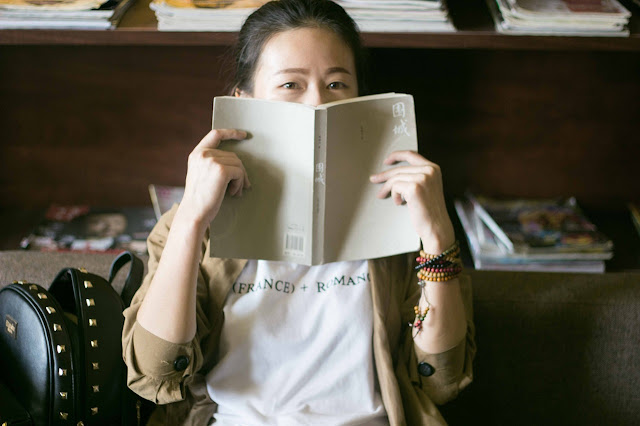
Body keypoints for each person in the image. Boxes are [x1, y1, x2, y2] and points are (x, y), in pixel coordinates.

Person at [122, 0, 475, 424]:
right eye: (291, 85)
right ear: (244, 101)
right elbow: (153, 373)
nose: (316, 104)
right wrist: (192, 221)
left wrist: (437, 237)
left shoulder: (401, 216)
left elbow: (443, 379)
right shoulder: (193, 224)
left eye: (337, 84)